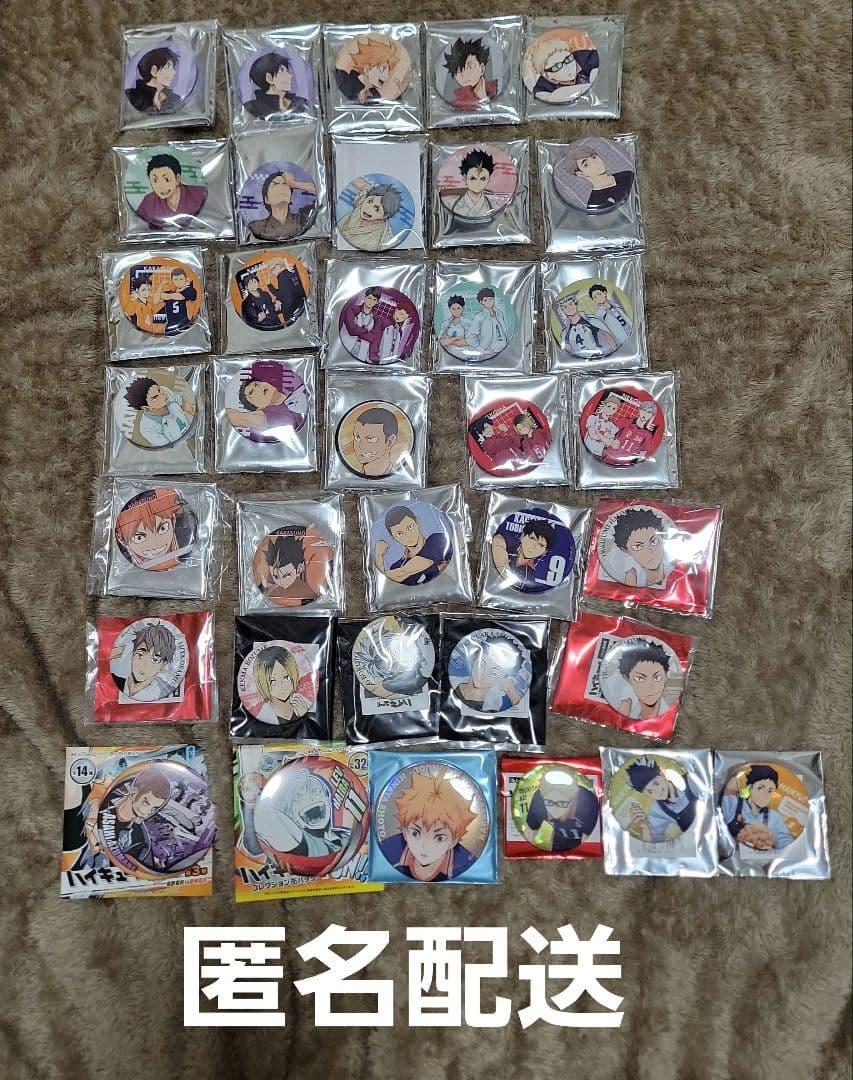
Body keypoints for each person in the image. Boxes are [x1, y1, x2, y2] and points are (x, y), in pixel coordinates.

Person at [379, 768, 478, 881]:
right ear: (405, 831)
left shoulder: (467, 862)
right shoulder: (388, 850)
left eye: (439, 838)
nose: (424, 846)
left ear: (454, 841)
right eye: (415, 833)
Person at [238, 768, 351, 865]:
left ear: (327, 798)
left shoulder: (347, 836)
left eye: (315, 791)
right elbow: (257, 842)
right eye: (298, 797)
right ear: (290, 814)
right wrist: (251, 803)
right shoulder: (296, 840)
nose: (310, 799)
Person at [87, 767, 172, 867]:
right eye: (146, 803)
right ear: (134, 793)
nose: (148, 812)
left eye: (154, 809)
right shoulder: (101, 799)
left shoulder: (138, 838)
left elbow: (125, 867)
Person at [227, 358, 307, 441]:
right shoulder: (273, 413)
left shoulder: (298, 386)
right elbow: (242, 418)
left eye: (256, 384)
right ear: (258, 408)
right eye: (251, 393)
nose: (258, 388)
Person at [720, 765, 796, 851]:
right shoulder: (732, 803)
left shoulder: (774, 817)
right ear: (750, 788)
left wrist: (776, 851)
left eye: (770, 790)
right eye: (760, 788)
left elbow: (784, 840)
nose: (765, 794)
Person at [114, 488, 192, 571]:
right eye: (139, 538)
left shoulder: (184, 543)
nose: (155, 542)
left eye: (162, 528)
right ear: (122, 541)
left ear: (173, 520)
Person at [522, 769, 599, 853]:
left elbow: (589, 845)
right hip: (557, 846)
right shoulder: (539, 799)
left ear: (573, 800)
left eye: (562, 803)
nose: (555, 809)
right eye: (549, 802)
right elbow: (529, 832)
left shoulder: (588, 803)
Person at [375, 506, 451, 586]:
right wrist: (378, 555)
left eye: (409, 527)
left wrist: (378, 556)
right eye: (400, 534)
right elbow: (389, 584)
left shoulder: (437, 540)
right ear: (393, 538)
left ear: (417, 522)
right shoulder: (396, 566)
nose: (408, 536)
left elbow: (403, 572)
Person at [625, 758, 697, 843]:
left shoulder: (690, 781)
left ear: (662, 774)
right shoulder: (656, 810)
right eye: (650, 791)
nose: (657, 791)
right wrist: (645, 828)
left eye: (656, 783)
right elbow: (653, 843)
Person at [135, 153, 206, 229]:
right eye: (155, 180)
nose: (161, 187)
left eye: (166, 180)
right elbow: (138, 225)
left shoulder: (199, 194)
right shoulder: (148, 202)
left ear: (177, 178)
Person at [110, 622, 178, 701]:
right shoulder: (113, 683)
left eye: (154, 660)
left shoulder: (164, 692)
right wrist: (127, 648)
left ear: (163, 665)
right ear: (133, 654)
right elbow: (104, 656)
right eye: (140, 655)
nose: (144, 664)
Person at [454, 637, 525, 713]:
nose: (483, 675)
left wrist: (510, 689)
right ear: (474, 659)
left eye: (494, 673)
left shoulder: (492, 706)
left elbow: (518, 705)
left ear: (503, 678)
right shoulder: (453, 681)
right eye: (481, 664)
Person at [526, 32, 599, 103]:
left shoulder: (583, 57)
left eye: (568, 59)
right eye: (557, 66)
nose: (568, 67)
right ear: (546, 75)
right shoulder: (542, 88)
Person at [251, 646, 311, 732]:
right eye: (272, 681)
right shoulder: (260, 717)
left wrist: (305, 717)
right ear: (261, 684)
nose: (282, 685)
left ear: (294, 675)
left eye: (286, 677)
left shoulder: (303, 709)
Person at [123, 376, 195, 447]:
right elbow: (170, 449)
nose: (162, 395)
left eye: (159, 390)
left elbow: (189, 407)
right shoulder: (147, 428)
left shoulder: (166, 392)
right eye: (155, 397)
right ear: (146, 408)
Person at [335, 35, 407, 103]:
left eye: (388, 69)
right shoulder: (346, 80)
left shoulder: (376, 94)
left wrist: (398, 94)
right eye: (382, 69)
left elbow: (385, 104)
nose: (387, 76)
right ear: (367, 69)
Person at [248, 169, 316, 241]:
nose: (281, 188)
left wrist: (293, 183)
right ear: (266, 199)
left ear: (290, 198)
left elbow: (321, 192)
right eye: (275, 184)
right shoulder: (256, 226)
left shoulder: (303, 218)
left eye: (285, 184)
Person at [612, 507, 671, 588]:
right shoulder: (631, 578)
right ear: (625, 550)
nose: (649, 552)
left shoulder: (677, 568)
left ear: (662, 538)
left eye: (654, 541)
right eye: (638, 546)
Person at [492, 518, 558, 590]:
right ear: (523, 536)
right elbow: (497, 539)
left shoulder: (530, 576)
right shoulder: (507, 543)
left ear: (545, 552)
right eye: (532, 539)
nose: (533, 547)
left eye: (541, 545)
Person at [338, 178, 403, 251]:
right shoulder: (361, 203)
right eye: (369, 201)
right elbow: (357, 181)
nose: (368, 209)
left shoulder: (385, 237)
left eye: (377, 209)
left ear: (385, 216)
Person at [564, 145, 634, 212]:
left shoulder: (627, 176)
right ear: (580, 174)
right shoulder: (594, 202)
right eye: (586, 164)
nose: (595, 162)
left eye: (594, 157)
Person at [616, 640, 672, 719]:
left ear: (666, 677)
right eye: (640, 679)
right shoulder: (624, 707)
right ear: (627, 679)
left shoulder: (672, 711)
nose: (650, 686)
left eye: (657, 677)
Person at [244, 52, 308, 118]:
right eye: (282, 72)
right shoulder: (255, 107)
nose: (290, 76)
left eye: (287, 71)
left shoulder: (300, 102)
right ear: (269, 78)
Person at [259, 534, 318, 604]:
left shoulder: (307, 591)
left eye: (287, 575)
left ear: (299, 569)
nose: (281, 582)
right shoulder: (270, 589)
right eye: (276, 576)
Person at [345, 406, 401, 478]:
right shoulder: (349, 477)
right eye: (357, 438)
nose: (361, 446)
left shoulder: (400, 477)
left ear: (390, 441)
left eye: (371, 439)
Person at [443, 37, 498, 110]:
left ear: (482, 68)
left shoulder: (495, 92)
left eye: (471, 66)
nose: (465, 74)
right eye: (459, 71)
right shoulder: (458, 106)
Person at [125, 46, 182, 115]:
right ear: (154, 70)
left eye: (173, 68)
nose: (174, 72)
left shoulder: (175, 99)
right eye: (167, 66)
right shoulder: (132, 96)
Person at [446, 149, 501, 220]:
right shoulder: (450, 204)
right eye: (473, 178)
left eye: (483, 179)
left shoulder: (494, 206)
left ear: (488, 179)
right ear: (465, 178)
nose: (478, 183)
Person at [464, 287, 510, 358]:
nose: (489, 302)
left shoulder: (499, 313)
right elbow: (470, 336)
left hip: (504, 351)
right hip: (489, 353)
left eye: (491, 299)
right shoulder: (479, 317)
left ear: (494, 299)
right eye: (485, 300)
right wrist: (481, 350)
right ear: (481, 302)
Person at [159, 267, 197, 335]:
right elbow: (159, 297)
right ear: (172, 280)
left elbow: (178, 296)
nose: (179, 282)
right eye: (176, 279)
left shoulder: (190, 290)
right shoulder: (170, 292)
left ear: (185, 279)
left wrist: (168, 296)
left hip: (186, 325)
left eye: (181, 279)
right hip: (170, 327)